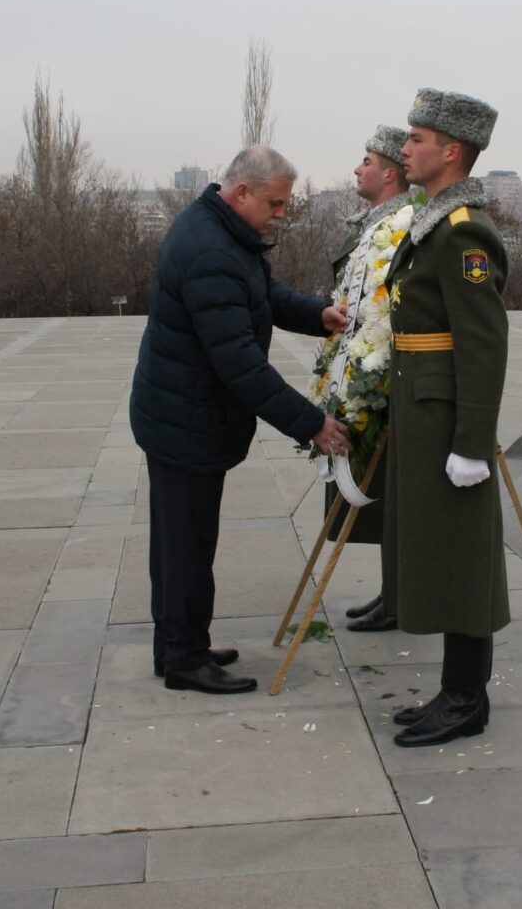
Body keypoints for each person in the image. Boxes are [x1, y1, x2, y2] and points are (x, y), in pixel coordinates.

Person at [130, 145, 350, 695]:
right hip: (185, 419)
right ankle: (183, 658)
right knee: (186, 544)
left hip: (183, 412)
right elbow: (241, 366)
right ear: (242, 192)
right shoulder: (210, 249)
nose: (281, 214)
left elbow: (260, 295)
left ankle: (179, 644)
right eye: (275, 203)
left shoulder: (221, 231)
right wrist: (312, 424)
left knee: (181, 539)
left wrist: (317, 314)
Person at [381, 89, 510, 747]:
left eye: (417, 138)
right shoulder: (433, 218)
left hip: (447, 418)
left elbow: (483, 346)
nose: (405, 148)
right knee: (442, 548)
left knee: (461, 555)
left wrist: (471, 445)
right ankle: (454, 690)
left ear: (451, 150)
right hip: (422, 406)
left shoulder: (465, 231)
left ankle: (466, 698)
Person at [326, 125, 414, 634]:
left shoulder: (400, 223)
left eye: (367, 160)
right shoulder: (371, 222)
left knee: (388, 493)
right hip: (360, 366)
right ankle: (392, 592)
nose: (358, 169)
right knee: (379, 490)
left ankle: (399, 596)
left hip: (382, 374)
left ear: (390, 172)